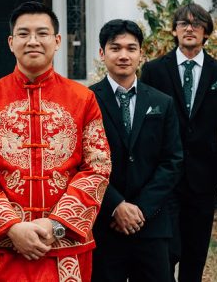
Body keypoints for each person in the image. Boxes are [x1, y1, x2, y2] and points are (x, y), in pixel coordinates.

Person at [0, 1, 112, 282]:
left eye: (42, 33)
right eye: (23, 34)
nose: (33, 41)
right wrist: (12, 227)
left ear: (56, 41)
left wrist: (55, 225)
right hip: (3, 244)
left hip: (65, 244)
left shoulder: (84, 99)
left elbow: (98, 167)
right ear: (10, 42)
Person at [140, 3, 217, 282]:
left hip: (203, 179)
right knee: (167, 250)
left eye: (197, 24)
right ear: (174, 31)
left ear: (206, 33)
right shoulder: (153, 71)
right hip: (163, 178)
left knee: (195, 255)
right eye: (183, 24)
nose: (190, 28)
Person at [90, 19, 183, 282]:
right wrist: (116, 205)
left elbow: (172, 161)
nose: (123, 55)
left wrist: (139, 209)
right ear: (102, 53)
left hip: (152, 224)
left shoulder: (162, 102)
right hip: (105, 225)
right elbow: (82, 163)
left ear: (141, 54)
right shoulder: (86, 101)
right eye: (115, 48)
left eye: (131, 48)